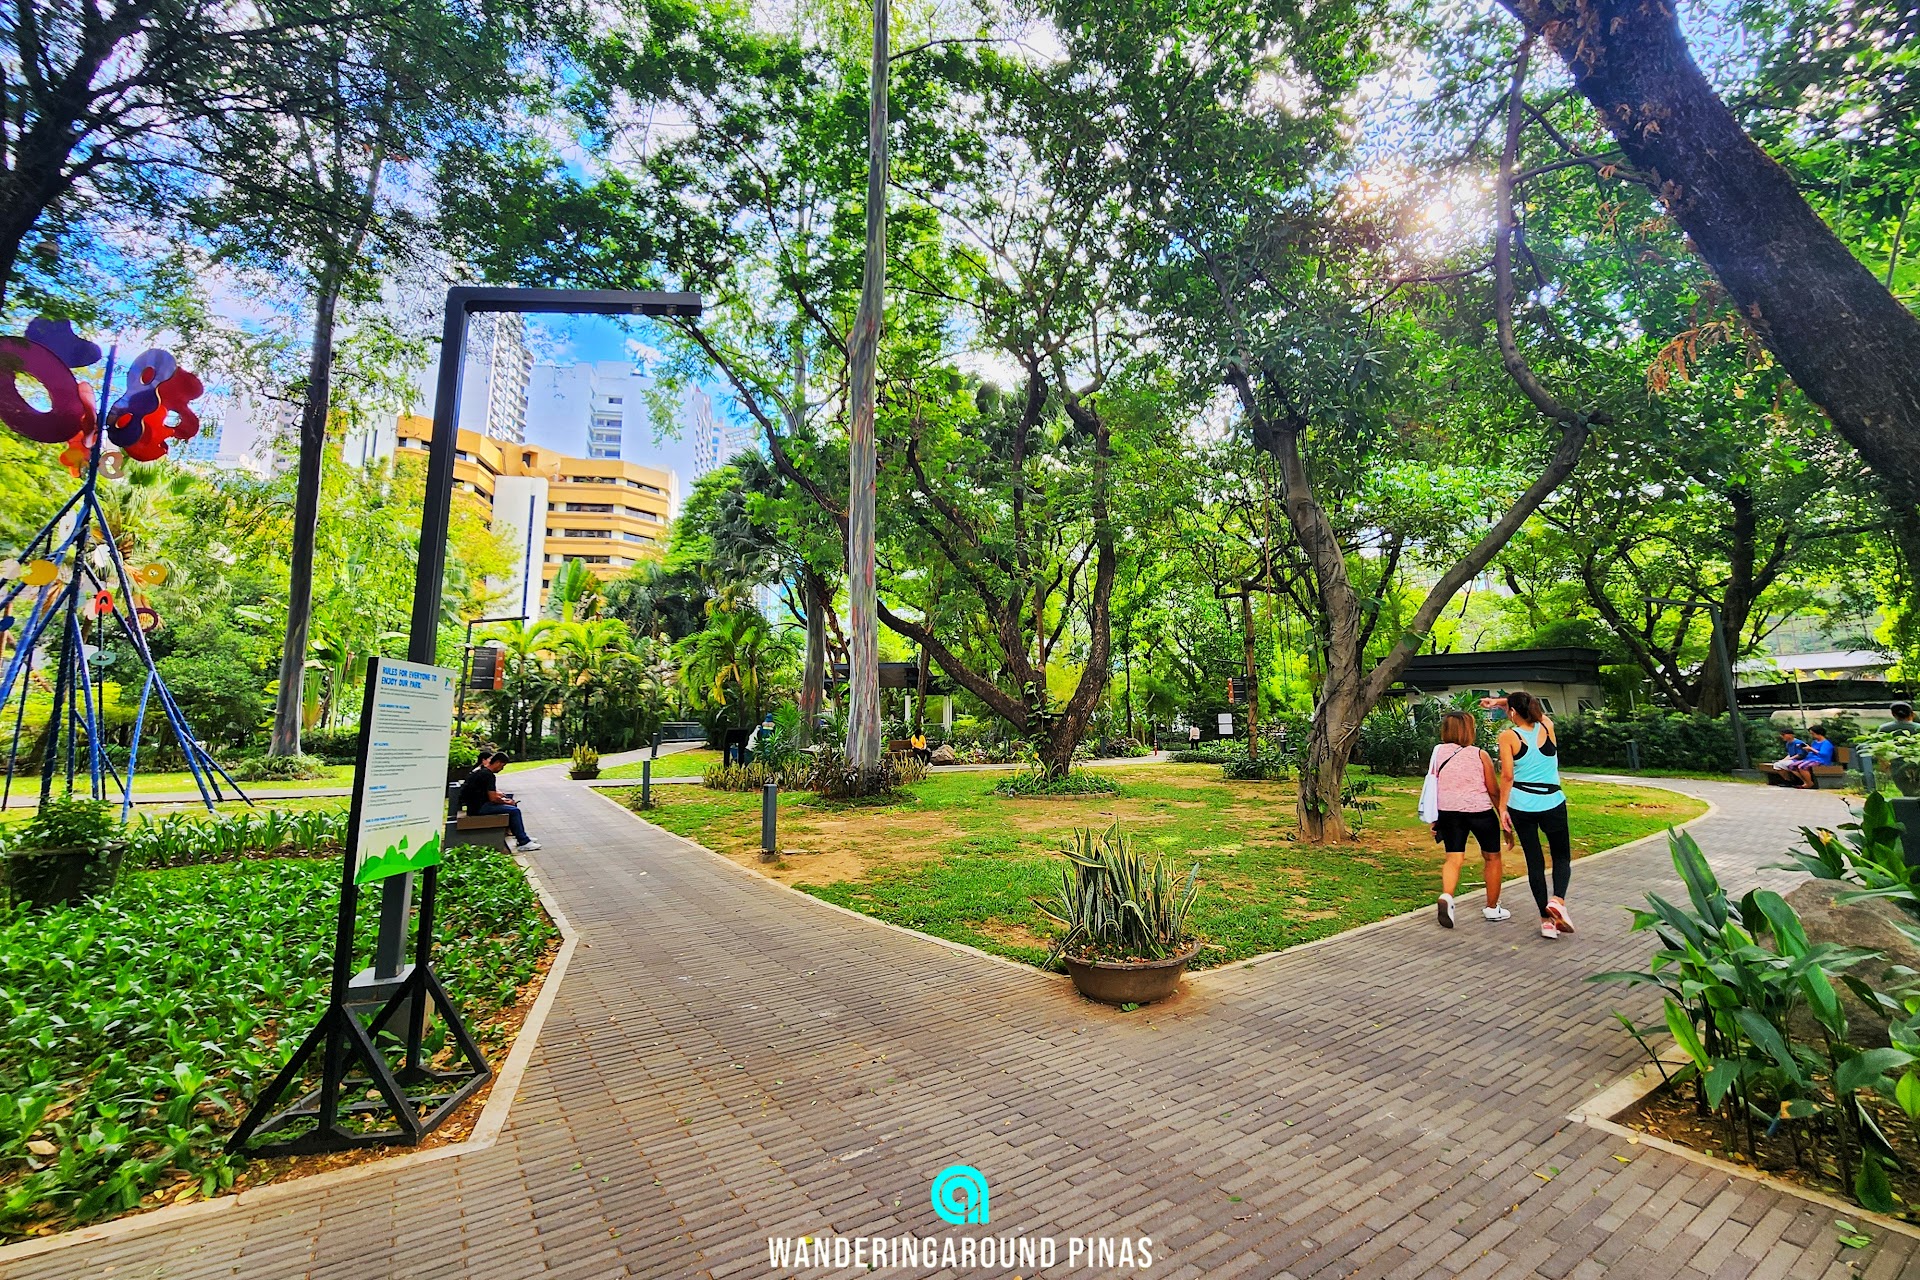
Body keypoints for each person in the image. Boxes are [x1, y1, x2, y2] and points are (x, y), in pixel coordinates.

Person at [1496, 690, 1574, 940]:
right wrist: (1504, 702)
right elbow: (1529, 707)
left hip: (1522, 805)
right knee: (1561, 856)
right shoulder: (1547, 726)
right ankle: (1558, 900)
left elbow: (1507, 775)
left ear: (1512, 712)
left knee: (1535, 861)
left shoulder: (1508, 736)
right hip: (1553, 802)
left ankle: (1545, 921)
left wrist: (1502, 808)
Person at [1428, 710, 1509, 929]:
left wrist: (1435, 818)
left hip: (1449, 812)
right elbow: (1493, 790)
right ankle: (1492, 907)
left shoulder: (1438, 753)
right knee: (1492, 857)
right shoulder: (1480, 754)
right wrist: (1502, 813)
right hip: (1480, 812)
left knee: (1453, 858)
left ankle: (1447, 896)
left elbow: (1434, 784)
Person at [459, 751, 540, 851]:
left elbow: (487, 793)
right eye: (502, 766)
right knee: (514, 811)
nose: (502, 769)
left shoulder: (482, 772)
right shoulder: (489, 775)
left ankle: (521, 836)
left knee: (509, 802)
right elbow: (493, 798)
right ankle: (523, 841)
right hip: (479, 808)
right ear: (497, 762)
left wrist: (503, 798)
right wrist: (507, 802)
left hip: (475, 805)